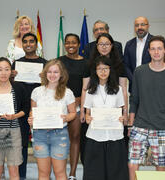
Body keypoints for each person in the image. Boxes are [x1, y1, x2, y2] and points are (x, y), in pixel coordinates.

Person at [128, 36, 165, 180]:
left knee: (160, 167)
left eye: (159, 48)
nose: (156, 52)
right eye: (153, 49)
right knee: (132, 165)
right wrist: (130, 124)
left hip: (163, 127)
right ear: (149, 51)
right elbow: (134, 100)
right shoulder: (139, 72)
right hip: (140, 125)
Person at [80, 33, 128, 164]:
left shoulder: (119, 64)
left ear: (112, 46)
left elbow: (123, 88)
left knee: (115, 148)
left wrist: (125, 112)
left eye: (107, 44)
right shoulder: (89, 64)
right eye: (101, 44)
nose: (104, 47)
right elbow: (85, 88)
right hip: (95, 109)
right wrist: (84, 111)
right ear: (96, 46)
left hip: (114, 111)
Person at [28, 59, 76, 180]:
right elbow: (32, 111)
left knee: (60, 172)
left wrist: (66, 118)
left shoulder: (67, 92)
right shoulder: (37, 92)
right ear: (45, 73)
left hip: (59, 135)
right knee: (43, 173)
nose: (52, 75)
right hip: (40, 135)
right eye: (49, 71)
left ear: (61, 74)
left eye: (56, 72)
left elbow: (73, 113)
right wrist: (31, 119)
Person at [83, 56, 128, 180]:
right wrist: (87, 118)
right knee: (95, 172)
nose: (103, 72)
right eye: (99, 69)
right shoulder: (90, 90)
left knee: (116, 171)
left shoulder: (118, 89)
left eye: (106, 68)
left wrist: (121, 118)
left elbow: (121, 110)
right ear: (95, 71)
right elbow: (87, 113)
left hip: (114, 135)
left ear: (110, 70)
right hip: (95, 135)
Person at [0, 57, 29, 180]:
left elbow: (26, 108)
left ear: (11, 71)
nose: (3, 73)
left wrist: (14, 116)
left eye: (7, 69)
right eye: (0, 69)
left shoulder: (19, 88)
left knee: (14, 171)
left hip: (14, 132)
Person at [11, 32, 47, 180]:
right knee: (22, 144)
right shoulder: (16, 63)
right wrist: (11, 76)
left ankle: (44, 175)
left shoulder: (45, 63)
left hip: (41, 108)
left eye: (31, 41)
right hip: (21, 109)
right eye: (25, 42)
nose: (28, 44)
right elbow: (10, 85)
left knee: (42, 143)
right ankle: (22, 176)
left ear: (36, 44)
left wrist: (44, 78)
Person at [58, 33, 89, 180]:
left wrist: (80, 103)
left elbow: (87, 87)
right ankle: (60, 171)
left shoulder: (86, 63)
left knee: (75, 137)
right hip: (60, 104)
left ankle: (72, 173)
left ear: (78, 45)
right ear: (65, 45)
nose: (71, 45)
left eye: (74, 42)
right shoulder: (59, 61)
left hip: (77, 105)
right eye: (68, 42)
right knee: (61, 138)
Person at [123, 16, 153, 93]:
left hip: (152, 85)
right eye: (137, 25)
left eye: (142, 24)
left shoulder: (155, 41)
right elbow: (126, 65)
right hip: (134, 87)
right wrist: (134, 80)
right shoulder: (129, 44)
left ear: (148, 26)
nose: (139, 27)